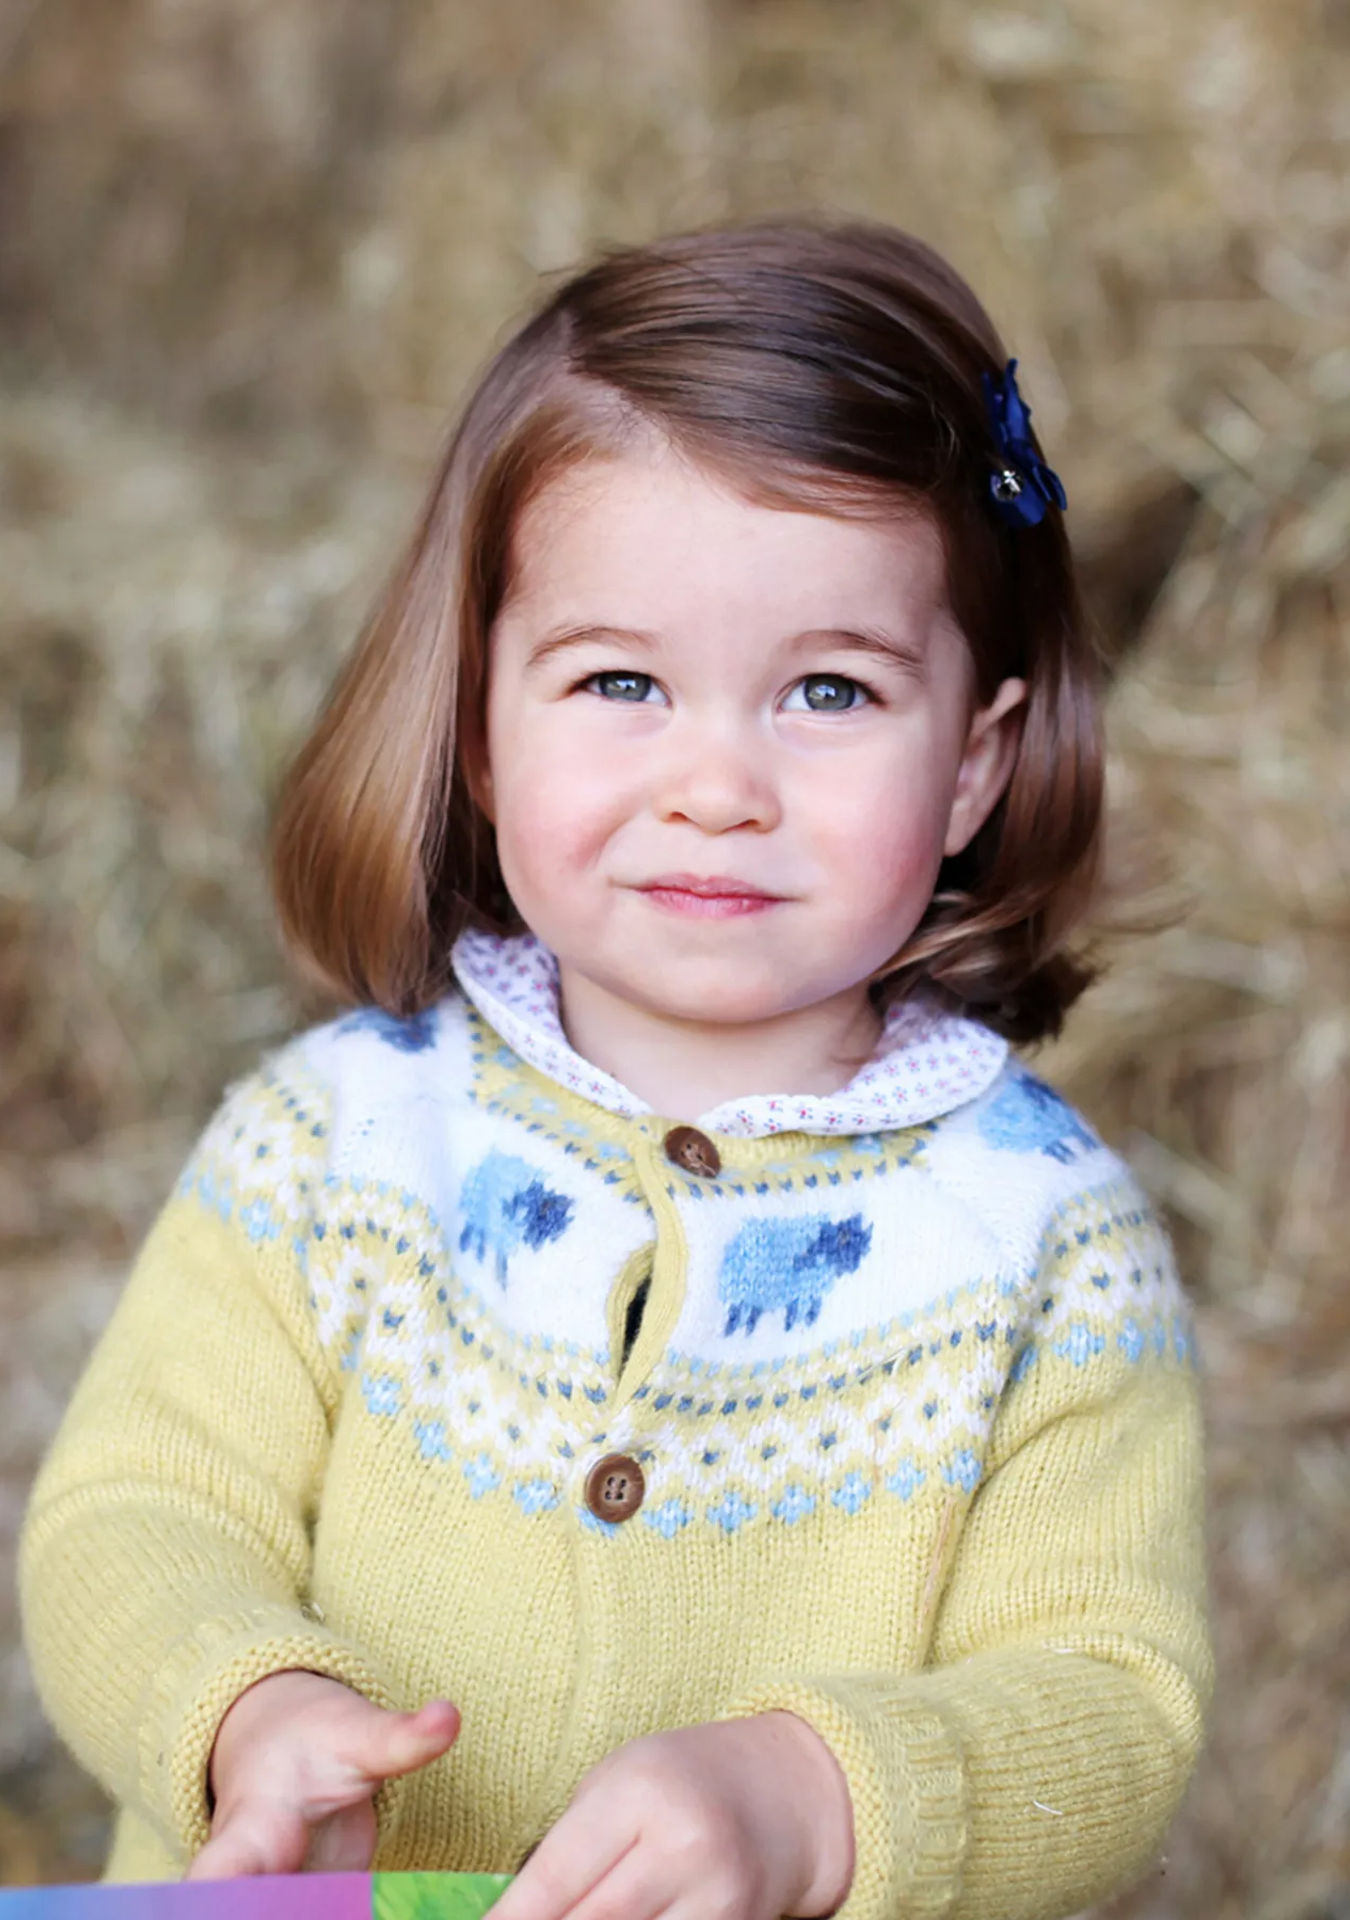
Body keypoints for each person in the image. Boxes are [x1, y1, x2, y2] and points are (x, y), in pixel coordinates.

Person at [19, 217, 1211, 1920]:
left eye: (826, 692)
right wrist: (244, 1707)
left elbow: (1109, 1697)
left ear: (970, 763)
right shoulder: (332, 1144)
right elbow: (133, 1511)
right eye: (621, 680)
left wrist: (821, 1795)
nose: (714, 786)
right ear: (479, 727)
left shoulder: (1042, 1247)